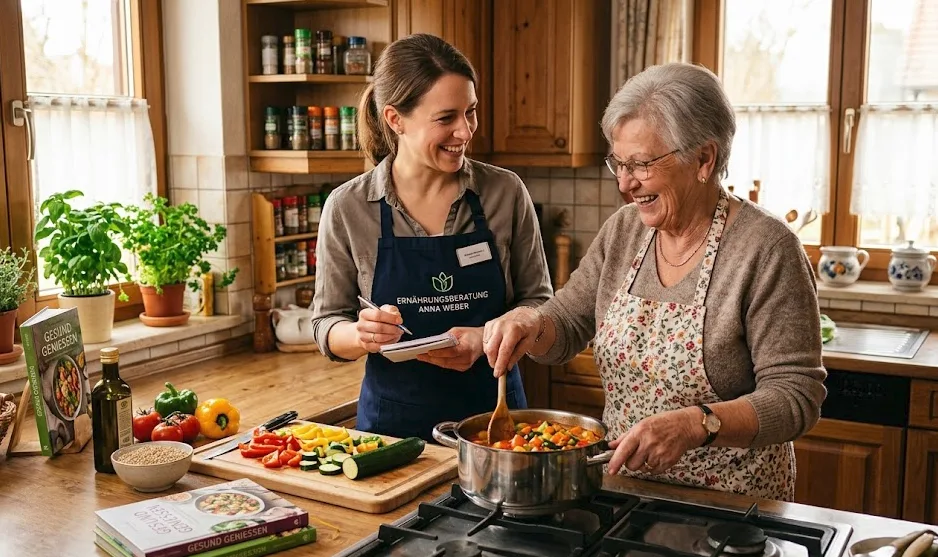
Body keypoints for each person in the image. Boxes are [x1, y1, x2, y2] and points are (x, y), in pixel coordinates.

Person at [481, 63, 826, 501]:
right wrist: (530, 324)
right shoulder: (624, 231)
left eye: (641, 164)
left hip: (733, 507)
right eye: (618, 163)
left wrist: (696, 424)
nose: (625, 184)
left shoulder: (766, 248)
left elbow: (796, 396)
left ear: (704, 159)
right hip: (626, 492)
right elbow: (566, 322)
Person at [311, 34, 552, 441]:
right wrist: (361, 335)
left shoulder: (504, 192)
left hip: (496, 426)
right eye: (446, 118)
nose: (465, 131)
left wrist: (485, 338)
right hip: (391, 435)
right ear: (394, 119)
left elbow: (541, 303)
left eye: (471, 112)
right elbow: (325, 324)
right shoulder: (349, 207)